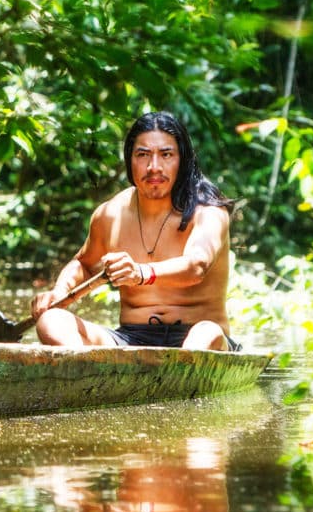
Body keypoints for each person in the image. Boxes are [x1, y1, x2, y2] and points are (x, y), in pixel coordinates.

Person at [31, 110, 240, 351]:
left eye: (166, 155)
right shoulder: (110, 213)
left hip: (198, 335)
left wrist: (140, 273)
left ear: (182, 159)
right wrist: (59, 292)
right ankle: (89, 374)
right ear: (129, 160)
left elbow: (196, 266)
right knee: (51, 322)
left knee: (206, 333)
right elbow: (84, 265)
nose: (154, 167)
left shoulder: (208, 211)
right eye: (143, 155)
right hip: (131, 339)